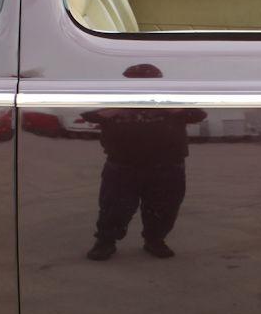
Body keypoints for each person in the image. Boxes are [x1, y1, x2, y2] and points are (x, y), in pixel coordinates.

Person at [84, 64, 206, 261]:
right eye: (133, 81)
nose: (140, 85)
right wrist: (123, 104)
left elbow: (198, 115)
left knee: (164, 208)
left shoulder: (172, 100)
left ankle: (155, 240)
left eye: (147, 81)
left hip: (167, 166)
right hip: (122, 165)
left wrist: (162, 102)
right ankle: (106, 242)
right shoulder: (114, 100)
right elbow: (88, 117)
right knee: (113, 208)